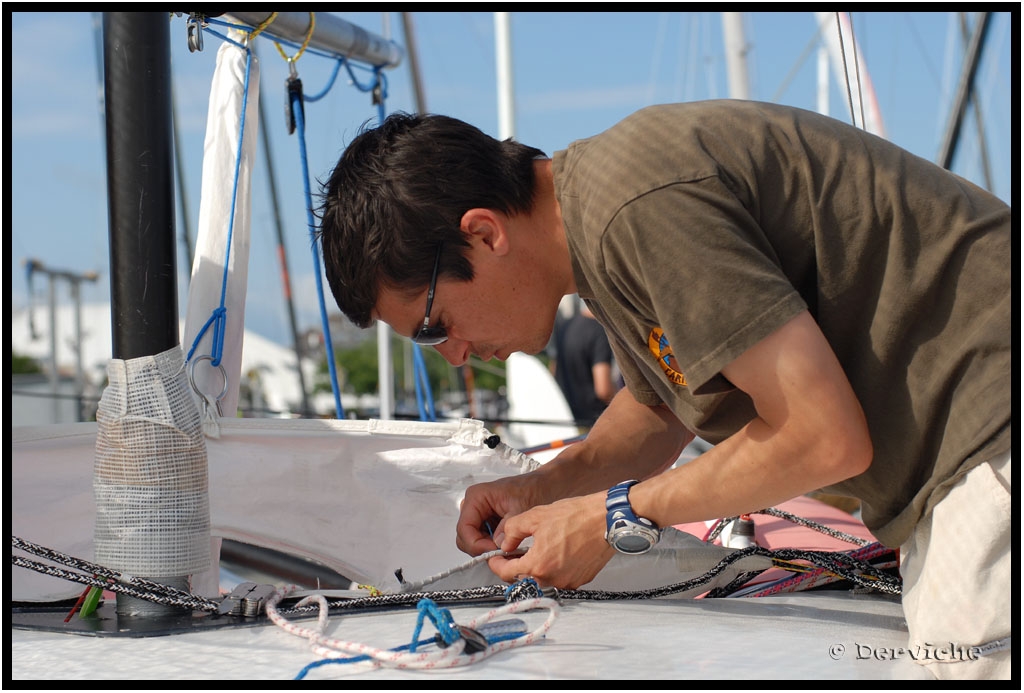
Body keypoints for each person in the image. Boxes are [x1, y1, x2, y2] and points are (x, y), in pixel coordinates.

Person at [316, 100, 1011, 680]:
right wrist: (546, 489)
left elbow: (822, 433)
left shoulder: (637, 209)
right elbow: (660, 408)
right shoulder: (598, 222)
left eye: (435, 327)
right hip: (960, 452)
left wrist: (613, 516)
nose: (458, 356)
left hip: (990, 419)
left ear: (484, 232)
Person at [551, 301, 618, 429]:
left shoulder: (567, 325)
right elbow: (603, 390)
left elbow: (554, 369)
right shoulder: (600, 331)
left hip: (567, 419)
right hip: (592, 423)